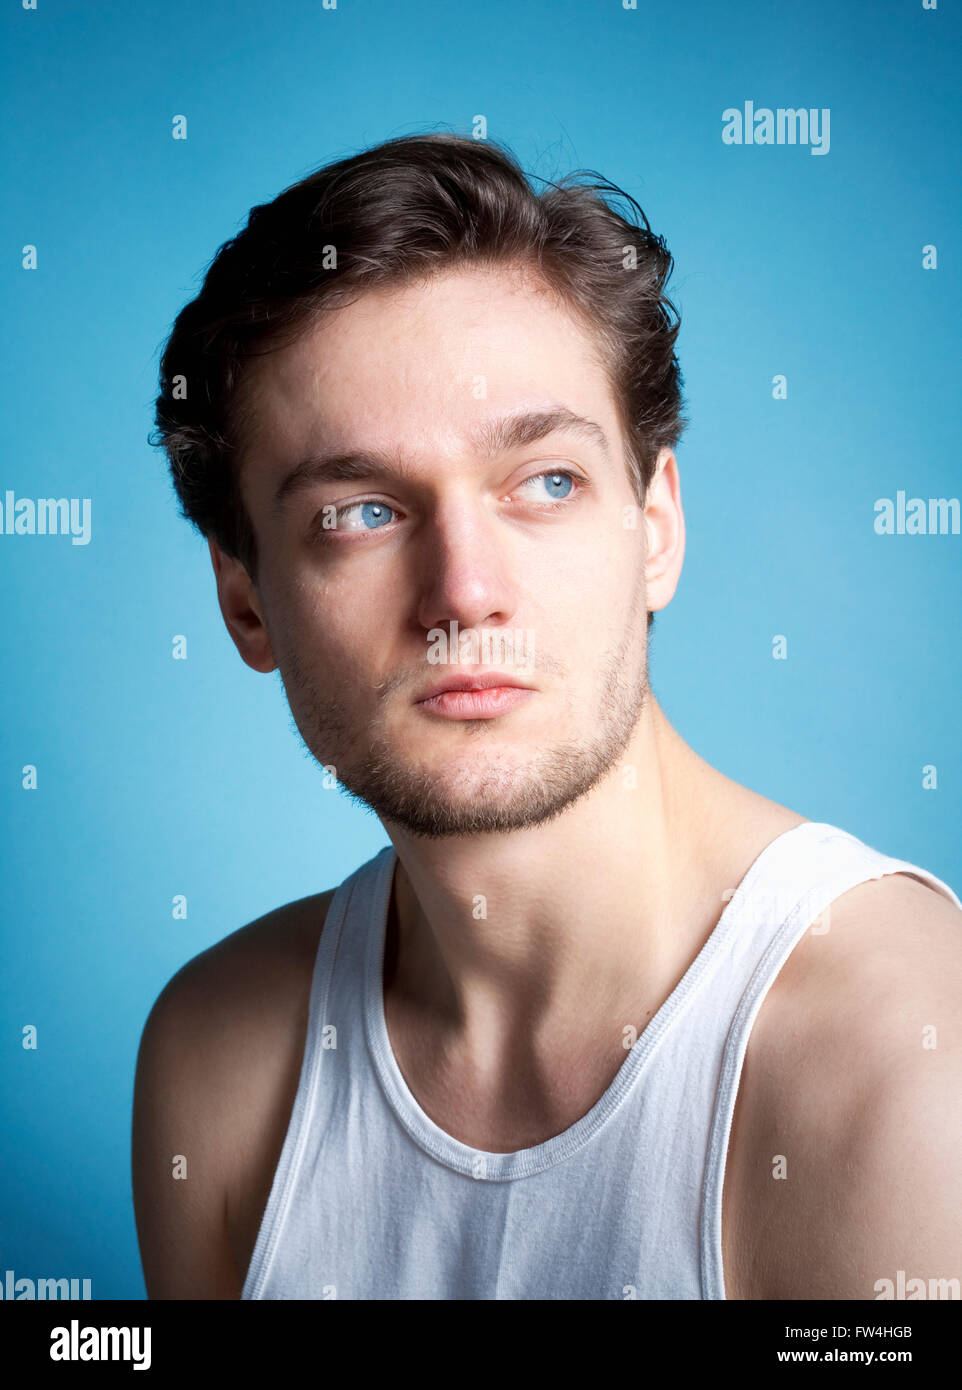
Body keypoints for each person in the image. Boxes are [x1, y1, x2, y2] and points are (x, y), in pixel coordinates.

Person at [134, 132, 962, 1301]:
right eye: (360, 511)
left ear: (656, 524)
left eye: (548, 482)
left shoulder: (907, 1066)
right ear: (243, 601)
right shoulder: (217, 1059)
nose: (465, 590)